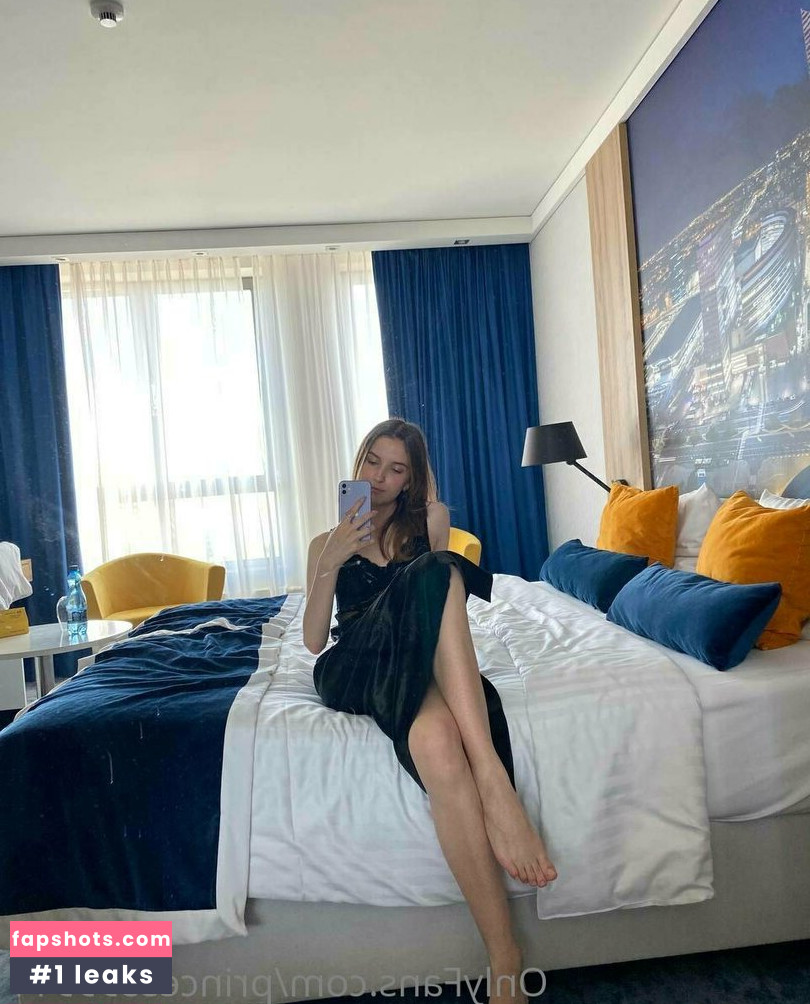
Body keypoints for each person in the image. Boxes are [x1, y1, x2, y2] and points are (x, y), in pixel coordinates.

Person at [303, 418, 557, 1003]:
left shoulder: (430, 521)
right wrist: (331, 560)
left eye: (397, 469)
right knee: (439, 572)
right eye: (373, 462)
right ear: (358, 462)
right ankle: (495, 780)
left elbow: (443, 614)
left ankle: (504, 957)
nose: (381, 478)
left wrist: (425, 515)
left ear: (412, 478)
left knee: (439, 742)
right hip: (357, 662)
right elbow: (314, 640)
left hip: (414, 660)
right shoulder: (325, 542)